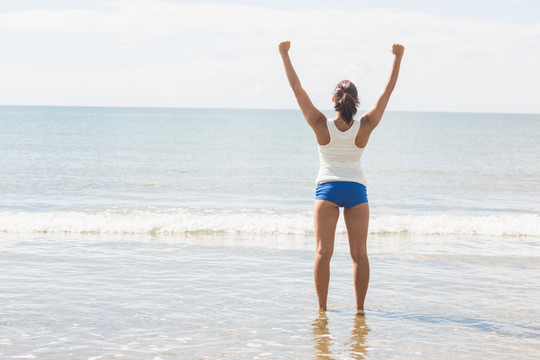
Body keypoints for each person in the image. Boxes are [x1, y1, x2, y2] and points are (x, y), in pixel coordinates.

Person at [279, 40, 404, 313]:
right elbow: (388, 90)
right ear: (356, 101)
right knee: (359, 254)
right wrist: (398, 56)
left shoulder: (319, 124)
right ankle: (359, 311)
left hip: (327, 190)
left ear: (334, 100)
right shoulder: (366, 125)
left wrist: (285, 54)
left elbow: (296, 89)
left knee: (323, 252)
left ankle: (322, 310)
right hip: (356, 191)